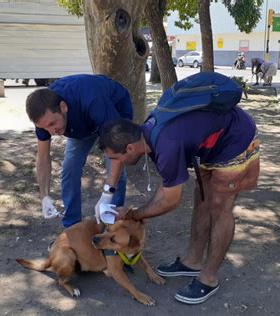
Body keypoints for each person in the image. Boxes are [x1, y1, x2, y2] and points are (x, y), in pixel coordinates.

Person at [98, 91, 260, 304]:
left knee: (220, 206)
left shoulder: (166, 144)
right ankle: (192, 262)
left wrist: (134, 214)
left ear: (129, 148)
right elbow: (167, 186)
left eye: (115, 158)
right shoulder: (148, 135)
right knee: (202, 197)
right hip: (208, 144)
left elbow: (171, 201)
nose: (114, 162)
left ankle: (209, 278)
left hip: (235, 140)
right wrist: (130, 212)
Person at [25, 74, 133, 228]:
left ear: (63, 107)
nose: (52, 131)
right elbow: (43, 158)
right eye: (45, 128)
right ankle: (72, 226)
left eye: (52, 124)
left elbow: (117, 153)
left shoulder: (92, 100)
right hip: (80, 124)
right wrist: (45, 197)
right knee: (70, 168)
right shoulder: (45, 118)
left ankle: (113, 224)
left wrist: (107, 193)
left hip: (115, 110)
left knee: (116, 173)